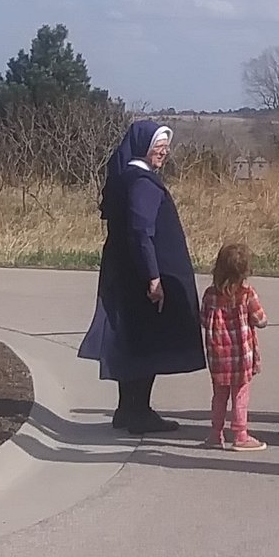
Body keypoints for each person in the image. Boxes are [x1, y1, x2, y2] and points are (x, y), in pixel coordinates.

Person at [80, 119, 203, 434]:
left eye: (165, 146)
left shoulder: (125, 178)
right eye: (159, 146)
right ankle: (138, 412)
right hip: (143, 277)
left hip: (126, 273)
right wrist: (153, 276)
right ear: (144, 147)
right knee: (147, 344)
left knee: (133, 342)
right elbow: (140, 231)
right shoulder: (143, 183)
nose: (164, 151)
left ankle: (128, 410)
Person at [201, 243, 269, 451]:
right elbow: (260, 318)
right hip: (241, 355)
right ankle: (240, 434)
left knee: (219, 395)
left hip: (218, 355)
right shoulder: (247, 294)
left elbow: (204, 320)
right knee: (240, 394)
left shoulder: (210, 294)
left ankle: (215, 434)